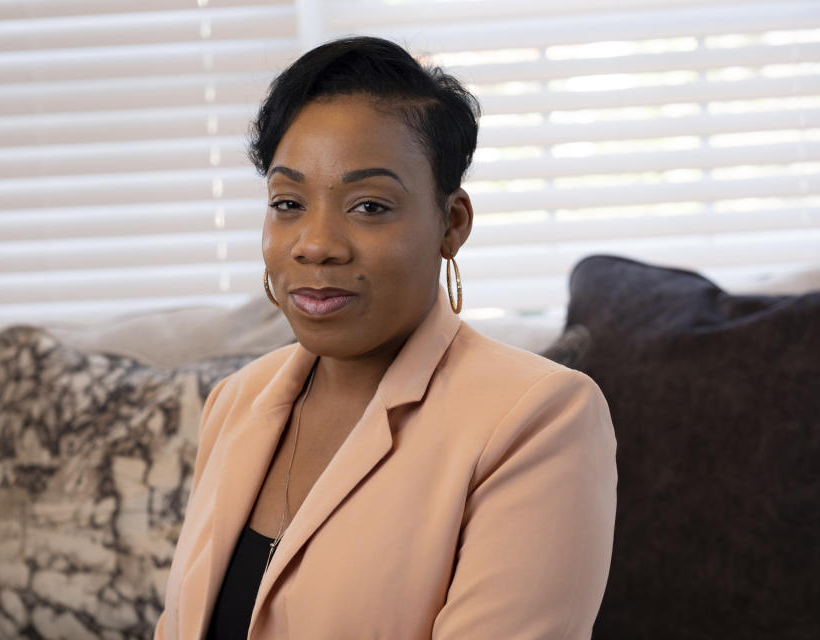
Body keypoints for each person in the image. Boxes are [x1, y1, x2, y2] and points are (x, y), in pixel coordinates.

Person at [155, 36, 617, 640]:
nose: (315, 243)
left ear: (451, 225)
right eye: (288, 202)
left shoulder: (541, 418)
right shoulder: (234, 403)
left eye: (369, 206)